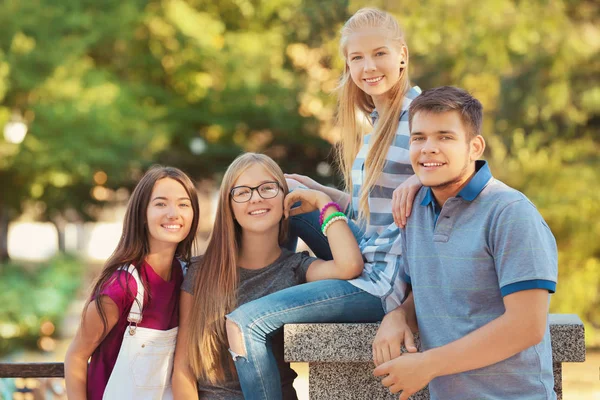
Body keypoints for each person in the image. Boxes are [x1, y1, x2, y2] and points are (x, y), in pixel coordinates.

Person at [224, 8, 423, 400]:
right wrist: (321, 191)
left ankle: (258, 304)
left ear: (402, 54)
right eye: (357, 58)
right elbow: (373, 213)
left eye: (379, 53)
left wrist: (420, 178)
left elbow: (457, 167)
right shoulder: (376, 122)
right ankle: (247, 283)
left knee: (246, 323)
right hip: (369, 251)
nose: (369, 66)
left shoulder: (421, 116)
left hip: (385, 282)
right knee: (288, 194)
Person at [373, 86, 558, 400]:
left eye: (445, 136)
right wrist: (399, 316)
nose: (428, 148)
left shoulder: (510, 212)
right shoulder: (413, 209)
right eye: (419, 138)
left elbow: (527, 326)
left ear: (475, 147)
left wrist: (428, 364)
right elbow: (426, 289)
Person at [171, 153, 365, 400]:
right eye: (242, 192)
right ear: (229, 207)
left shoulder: (296, 268)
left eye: (268, 188)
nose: (256, 198)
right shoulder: (201, 271)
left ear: (286, 197)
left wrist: (322, 201)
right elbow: (183, 370)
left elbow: (349, 264)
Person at [64, 166, 200, 400]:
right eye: (160, 204)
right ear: (142, 215)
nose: (173, 213)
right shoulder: (121, 286)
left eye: (183, 204)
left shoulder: (187, 277)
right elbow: (76, 356)